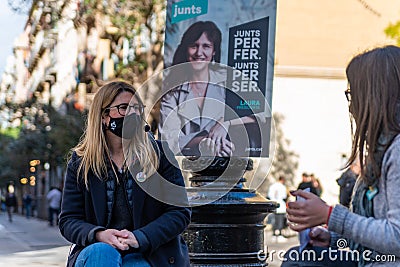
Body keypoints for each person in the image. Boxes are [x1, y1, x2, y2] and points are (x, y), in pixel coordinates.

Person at [284, 46, 400, 266]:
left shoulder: (397, 149)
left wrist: (330, 216)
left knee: (299, 261)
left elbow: (396, 237)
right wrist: (334, 238)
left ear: (373, 97)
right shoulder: (384, 148)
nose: (351, 107)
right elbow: (375, 229)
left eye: (352, 94)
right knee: (299, 256)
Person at [59, 81, 191, 267]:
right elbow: (68, 220)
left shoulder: (160, 155)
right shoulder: (81, 162)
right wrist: (99, 235)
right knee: (102, 252)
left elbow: (179, 212)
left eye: (137, 108)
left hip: (150, 252)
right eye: (124, 108)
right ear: (104, 116)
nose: (133, 114)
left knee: (135, 264)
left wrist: (140, 237)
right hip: (98, 250)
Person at [160, 21, 258, 157]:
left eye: (206, 46)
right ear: (186, 49)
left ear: (214, 51)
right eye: (194, 46)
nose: (199, 52)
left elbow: (259, 114)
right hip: (187, 167)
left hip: (230, 162)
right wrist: (204, 142)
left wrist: (225, 122)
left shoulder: (228, 82)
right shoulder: (172, 92)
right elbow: (168, 141)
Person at [267, 176, 288, 241]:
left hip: (273, 205)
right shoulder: (282, 187)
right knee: (280, 221)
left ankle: (274, 234)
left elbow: (269, 196)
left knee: (274, 220)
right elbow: (284, 196)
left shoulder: (272, 186)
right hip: (281, 206)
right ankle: (279, 234)